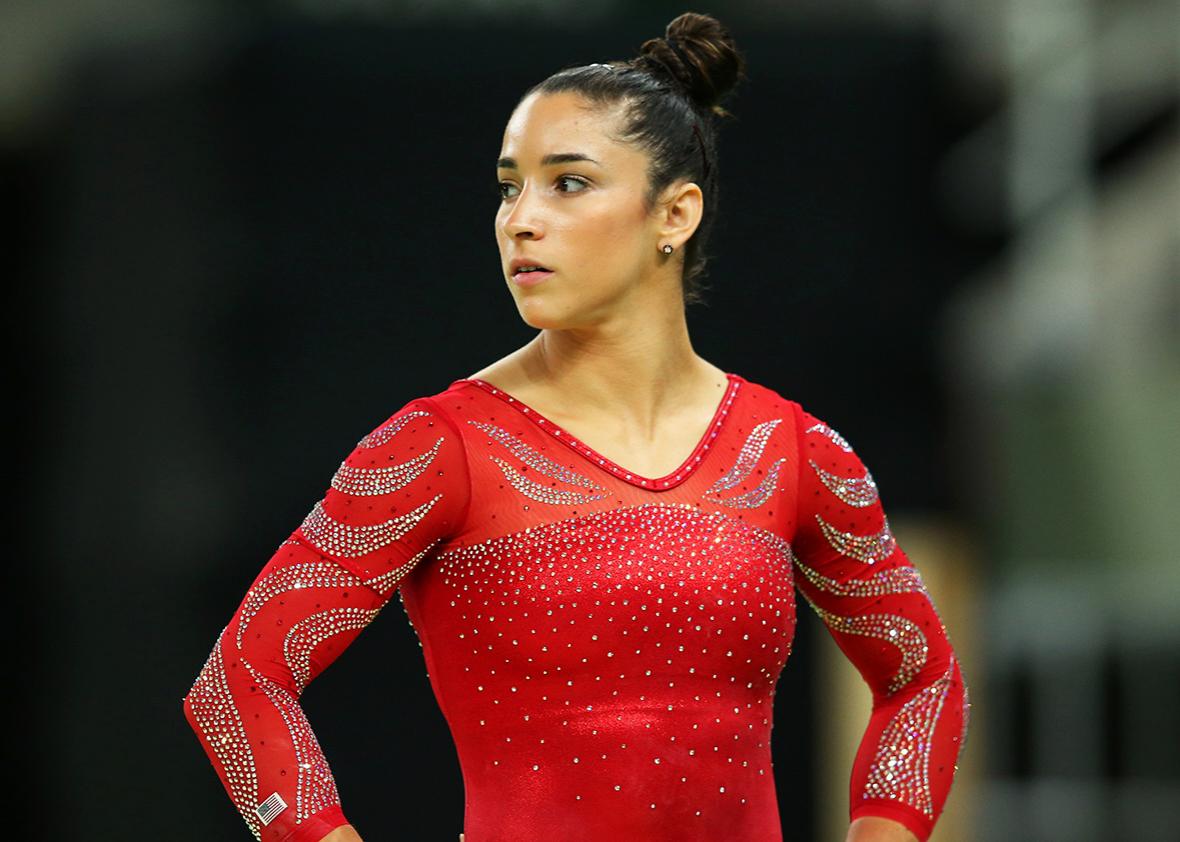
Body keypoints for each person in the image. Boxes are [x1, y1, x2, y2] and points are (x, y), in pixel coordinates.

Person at [182, 12, 969, 842]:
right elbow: (240, 682)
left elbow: (924, 680)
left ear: (675, 215)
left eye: (567, 182)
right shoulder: (440, 448)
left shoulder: (791, 451)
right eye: (507, 186)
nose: (520, 219)